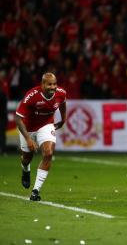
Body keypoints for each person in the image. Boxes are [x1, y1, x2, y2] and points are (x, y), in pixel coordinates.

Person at [15, 73, 66, 201]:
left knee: (48, 153)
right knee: (26, 159)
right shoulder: (32, 96)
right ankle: (25, 170)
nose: (53, 87)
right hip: (28, 128)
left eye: (54, 84)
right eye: (49, 84)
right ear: (42, 84)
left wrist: (63, 119)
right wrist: (28, 139)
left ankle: (35, 191)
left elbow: (63, 103)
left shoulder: (61, 93)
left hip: (46, 125)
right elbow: (18, 119)